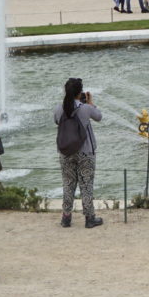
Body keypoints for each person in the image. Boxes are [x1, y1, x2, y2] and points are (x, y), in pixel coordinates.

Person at [54, 77, 104, 228]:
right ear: (80, 92)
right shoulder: (85, 108)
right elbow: (99, 117)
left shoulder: (59, 108)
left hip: (65, 151)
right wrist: (90, 103)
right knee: (86, 184)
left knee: (68, 183)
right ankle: (89, 218)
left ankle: (66, 217)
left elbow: (57, 121)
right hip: (85, 151)